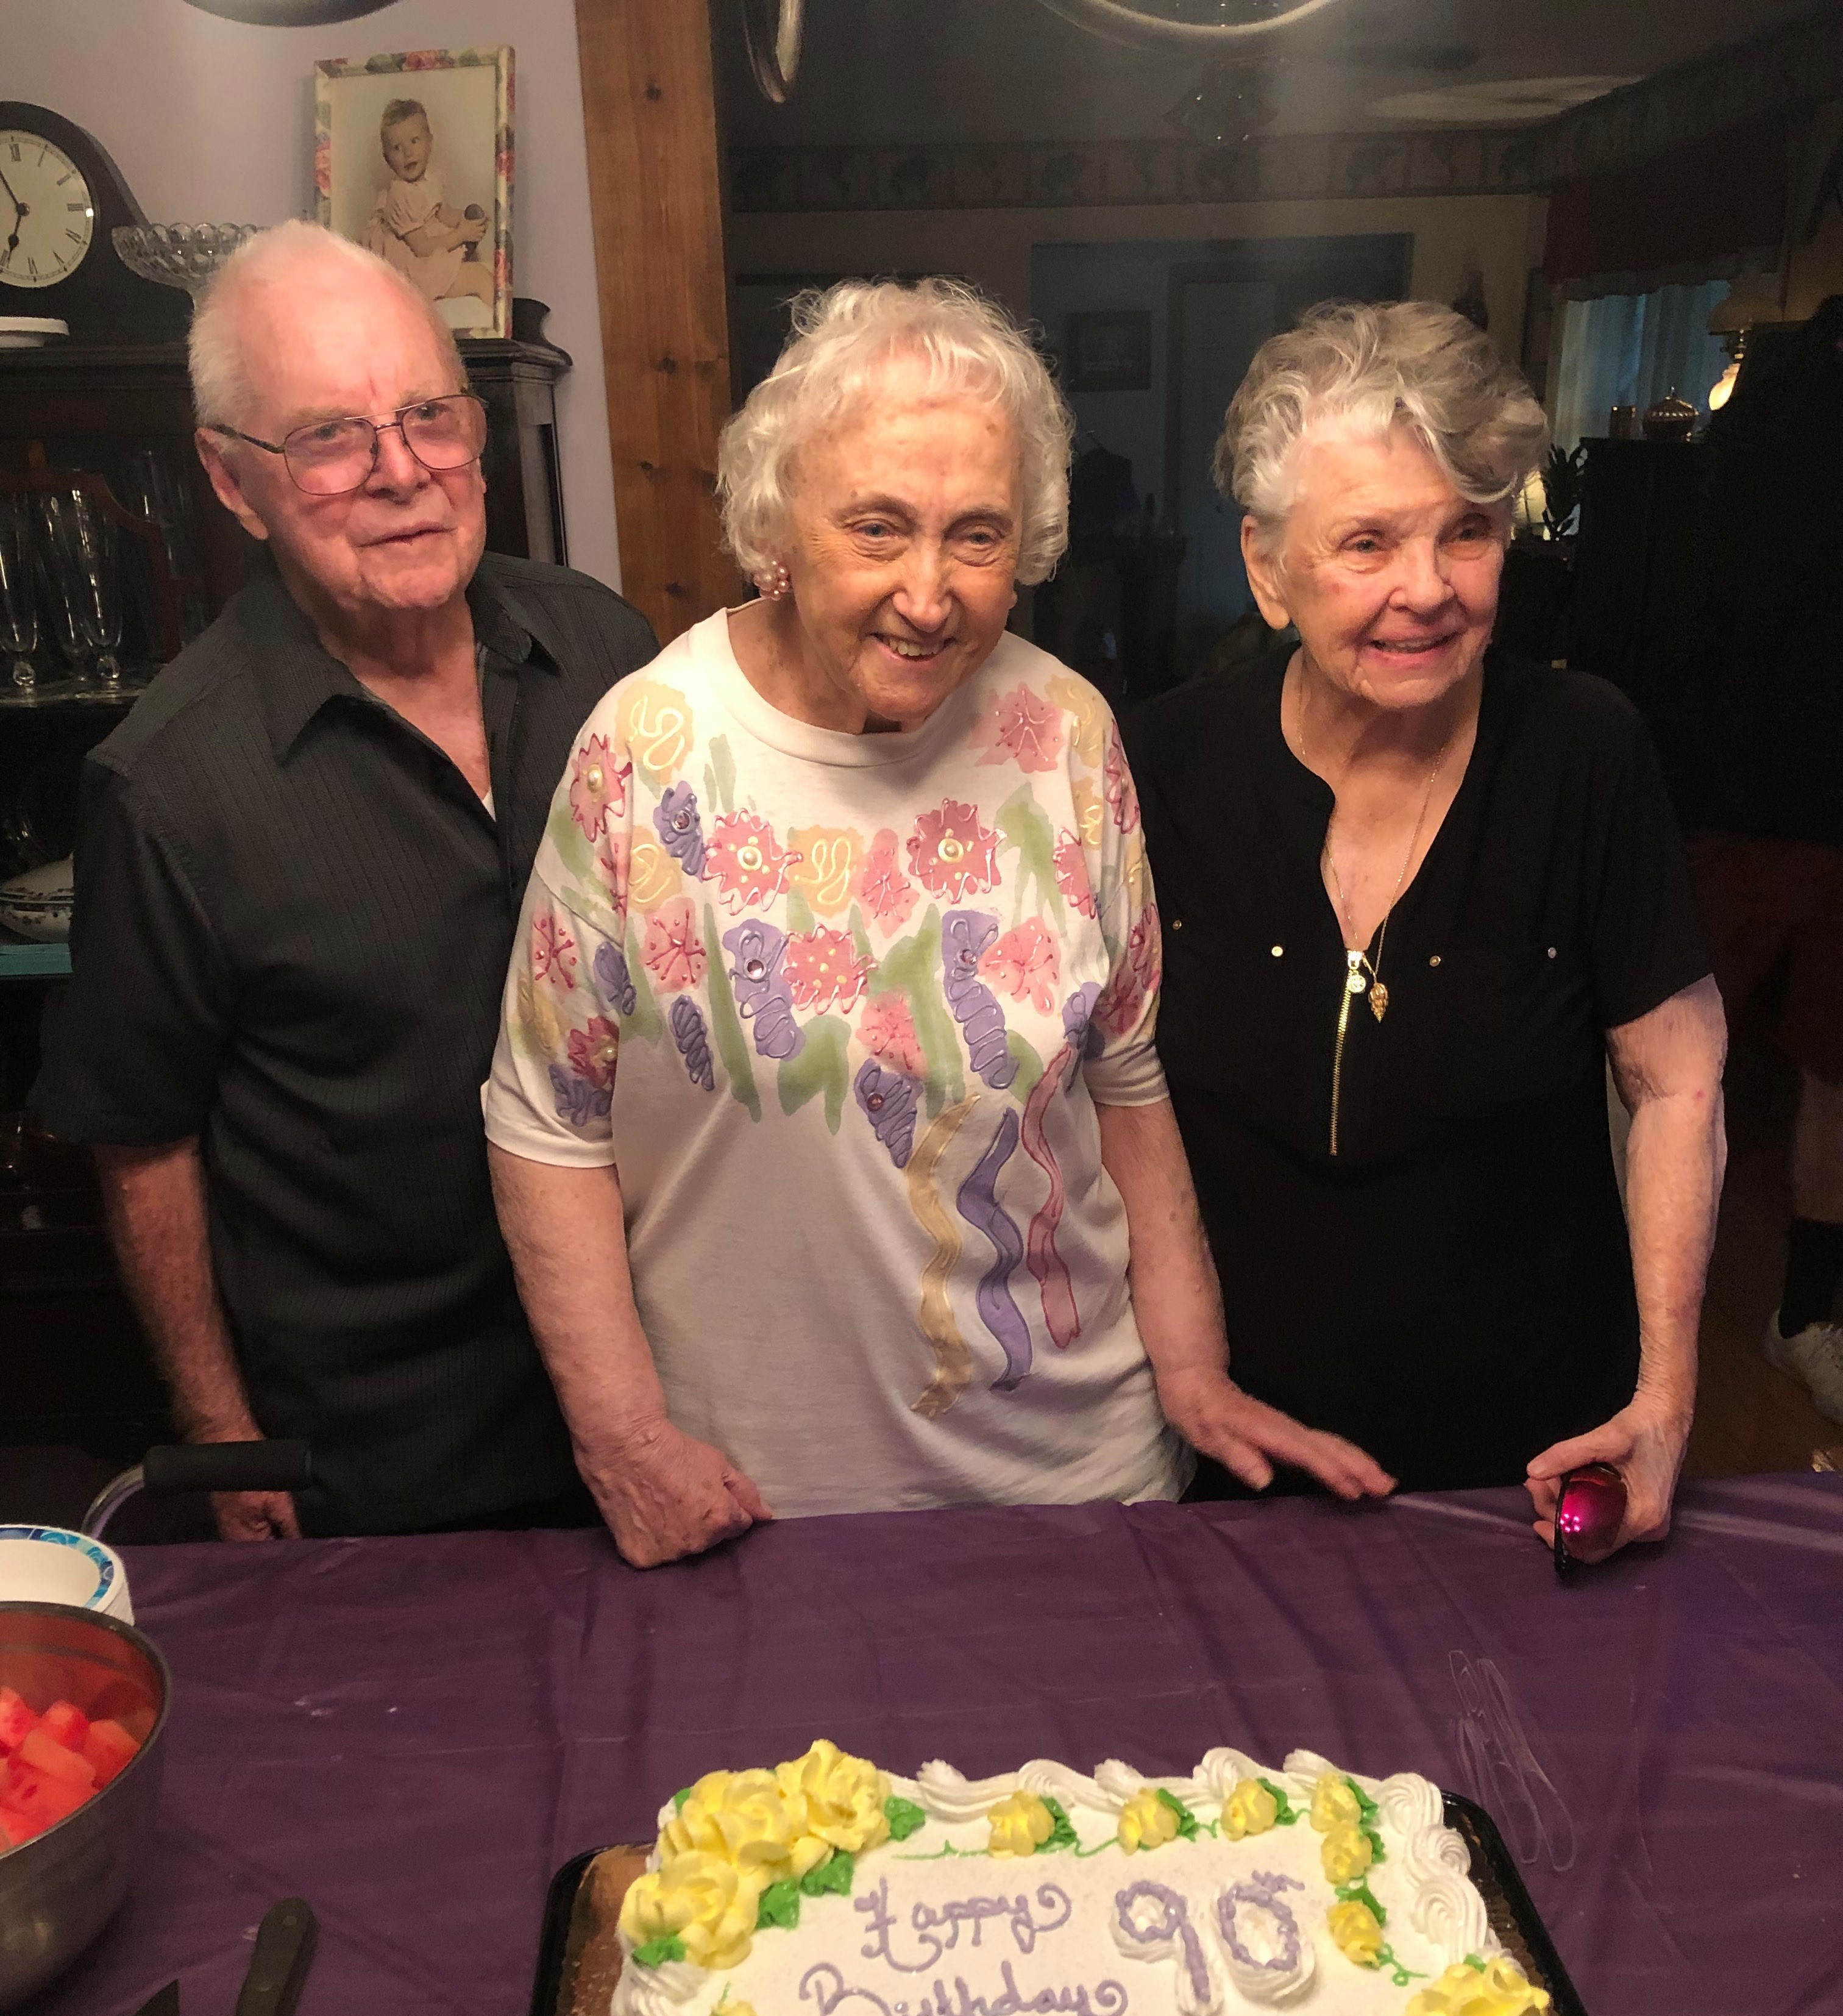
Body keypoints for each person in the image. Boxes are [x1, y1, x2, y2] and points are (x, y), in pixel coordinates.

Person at [483, 279, 1390, 1567]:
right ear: (775, 524)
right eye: (876, 528)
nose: (928, 594)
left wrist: (1191, 1372)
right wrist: (624, 1442)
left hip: (1082, 1475)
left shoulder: (1066, 731)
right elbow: (544, 1125)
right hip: (755, 1497)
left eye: (976, 537)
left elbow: (1126, 1084)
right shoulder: (647, 748)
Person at [32, 221, 656, 1537]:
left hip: (661, 1387)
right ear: (230, 479)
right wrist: (222, 1432)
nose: (402, 471)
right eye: (328, 436)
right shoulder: (169, 790)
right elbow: (142, 1139)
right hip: (392, 1466)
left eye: (430, 415)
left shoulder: (607, 653)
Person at [1127, 301, 1727, 1555]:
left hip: (1528, 1463)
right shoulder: (1161, 765)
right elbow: (1105, 1091)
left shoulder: (1584, 752)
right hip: (1225, 1446)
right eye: (1366, 542)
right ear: (1264, 568)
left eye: (1468, 530)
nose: (1427, 589)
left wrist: (1663, 1401)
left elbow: (1674, 1083)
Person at [1686, 296, 1843, 1423]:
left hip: (1768, 789)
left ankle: (1803, 1314)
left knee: (1837, 1076)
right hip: (1738, 791)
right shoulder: (1771, 399)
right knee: (1663, 1053)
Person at [363, 98, 494, 316]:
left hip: (428, 249)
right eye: (397, 148)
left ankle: (462, 254)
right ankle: (501, 329)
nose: (408, 153)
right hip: (414, 269)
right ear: (387, 159)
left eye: (414, 141)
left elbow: (444, 214)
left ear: (429, 142)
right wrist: (462, 235)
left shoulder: (429, 181)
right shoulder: (400, 197)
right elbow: (422, 248)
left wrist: (466, 220)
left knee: (484, 267)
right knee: (480, 277)